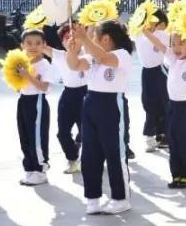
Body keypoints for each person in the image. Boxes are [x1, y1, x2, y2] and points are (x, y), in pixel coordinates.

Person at [68, 20, 135, 215]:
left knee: (115, 153)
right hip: (91, 103)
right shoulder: (93, 56)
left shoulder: (122, 55)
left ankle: (121, 198)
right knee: (90, 154)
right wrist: (74, 48)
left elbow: (106, 59)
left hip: (112, 104)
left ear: (105, 39)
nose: (91, 39)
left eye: (94, 36)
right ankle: (93, 198)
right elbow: (75, 66)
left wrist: (84, 39)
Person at [15, 29, 59, 186]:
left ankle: (40, 170)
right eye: (29, 43)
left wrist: (28, 76)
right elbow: (17, 86)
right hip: (23, 101)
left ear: (44, 45)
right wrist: (18, 81)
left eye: (38, 43)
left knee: (37, 137)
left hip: (38, 102)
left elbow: (43, 87)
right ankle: (29, 168)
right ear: (22, 46)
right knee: (24, 135)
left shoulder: (45, 64)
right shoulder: (21, 64)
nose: (33, 46)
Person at [47, 24, 86, 174]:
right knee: (62, 132)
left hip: (86, 94)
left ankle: (88, 157)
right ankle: (72, 158)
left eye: (75, 37)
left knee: (86, 131)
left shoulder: (87, 53)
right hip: (68, 95)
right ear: (62, 41)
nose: (71, 40)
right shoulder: (59, 55)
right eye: (67, 37)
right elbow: (42, 47)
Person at [160, 30, 186, 188]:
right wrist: (145, 30)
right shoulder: (172, 59)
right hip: (172, 106)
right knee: (173, 141)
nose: (176, 47)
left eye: (181, 43)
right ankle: (176, 174)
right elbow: (159, 46)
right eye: (173, 44)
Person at [133, 11, 169, 153]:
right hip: (146, 72)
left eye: (156, 21)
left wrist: (150, 33)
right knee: (148, 103)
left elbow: (162, 47)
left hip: (161, 70)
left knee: (165, 102)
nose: (152, 24)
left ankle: (164, 134)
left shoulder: (163, 35)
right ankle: (150, 135)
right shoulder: (138, 34)